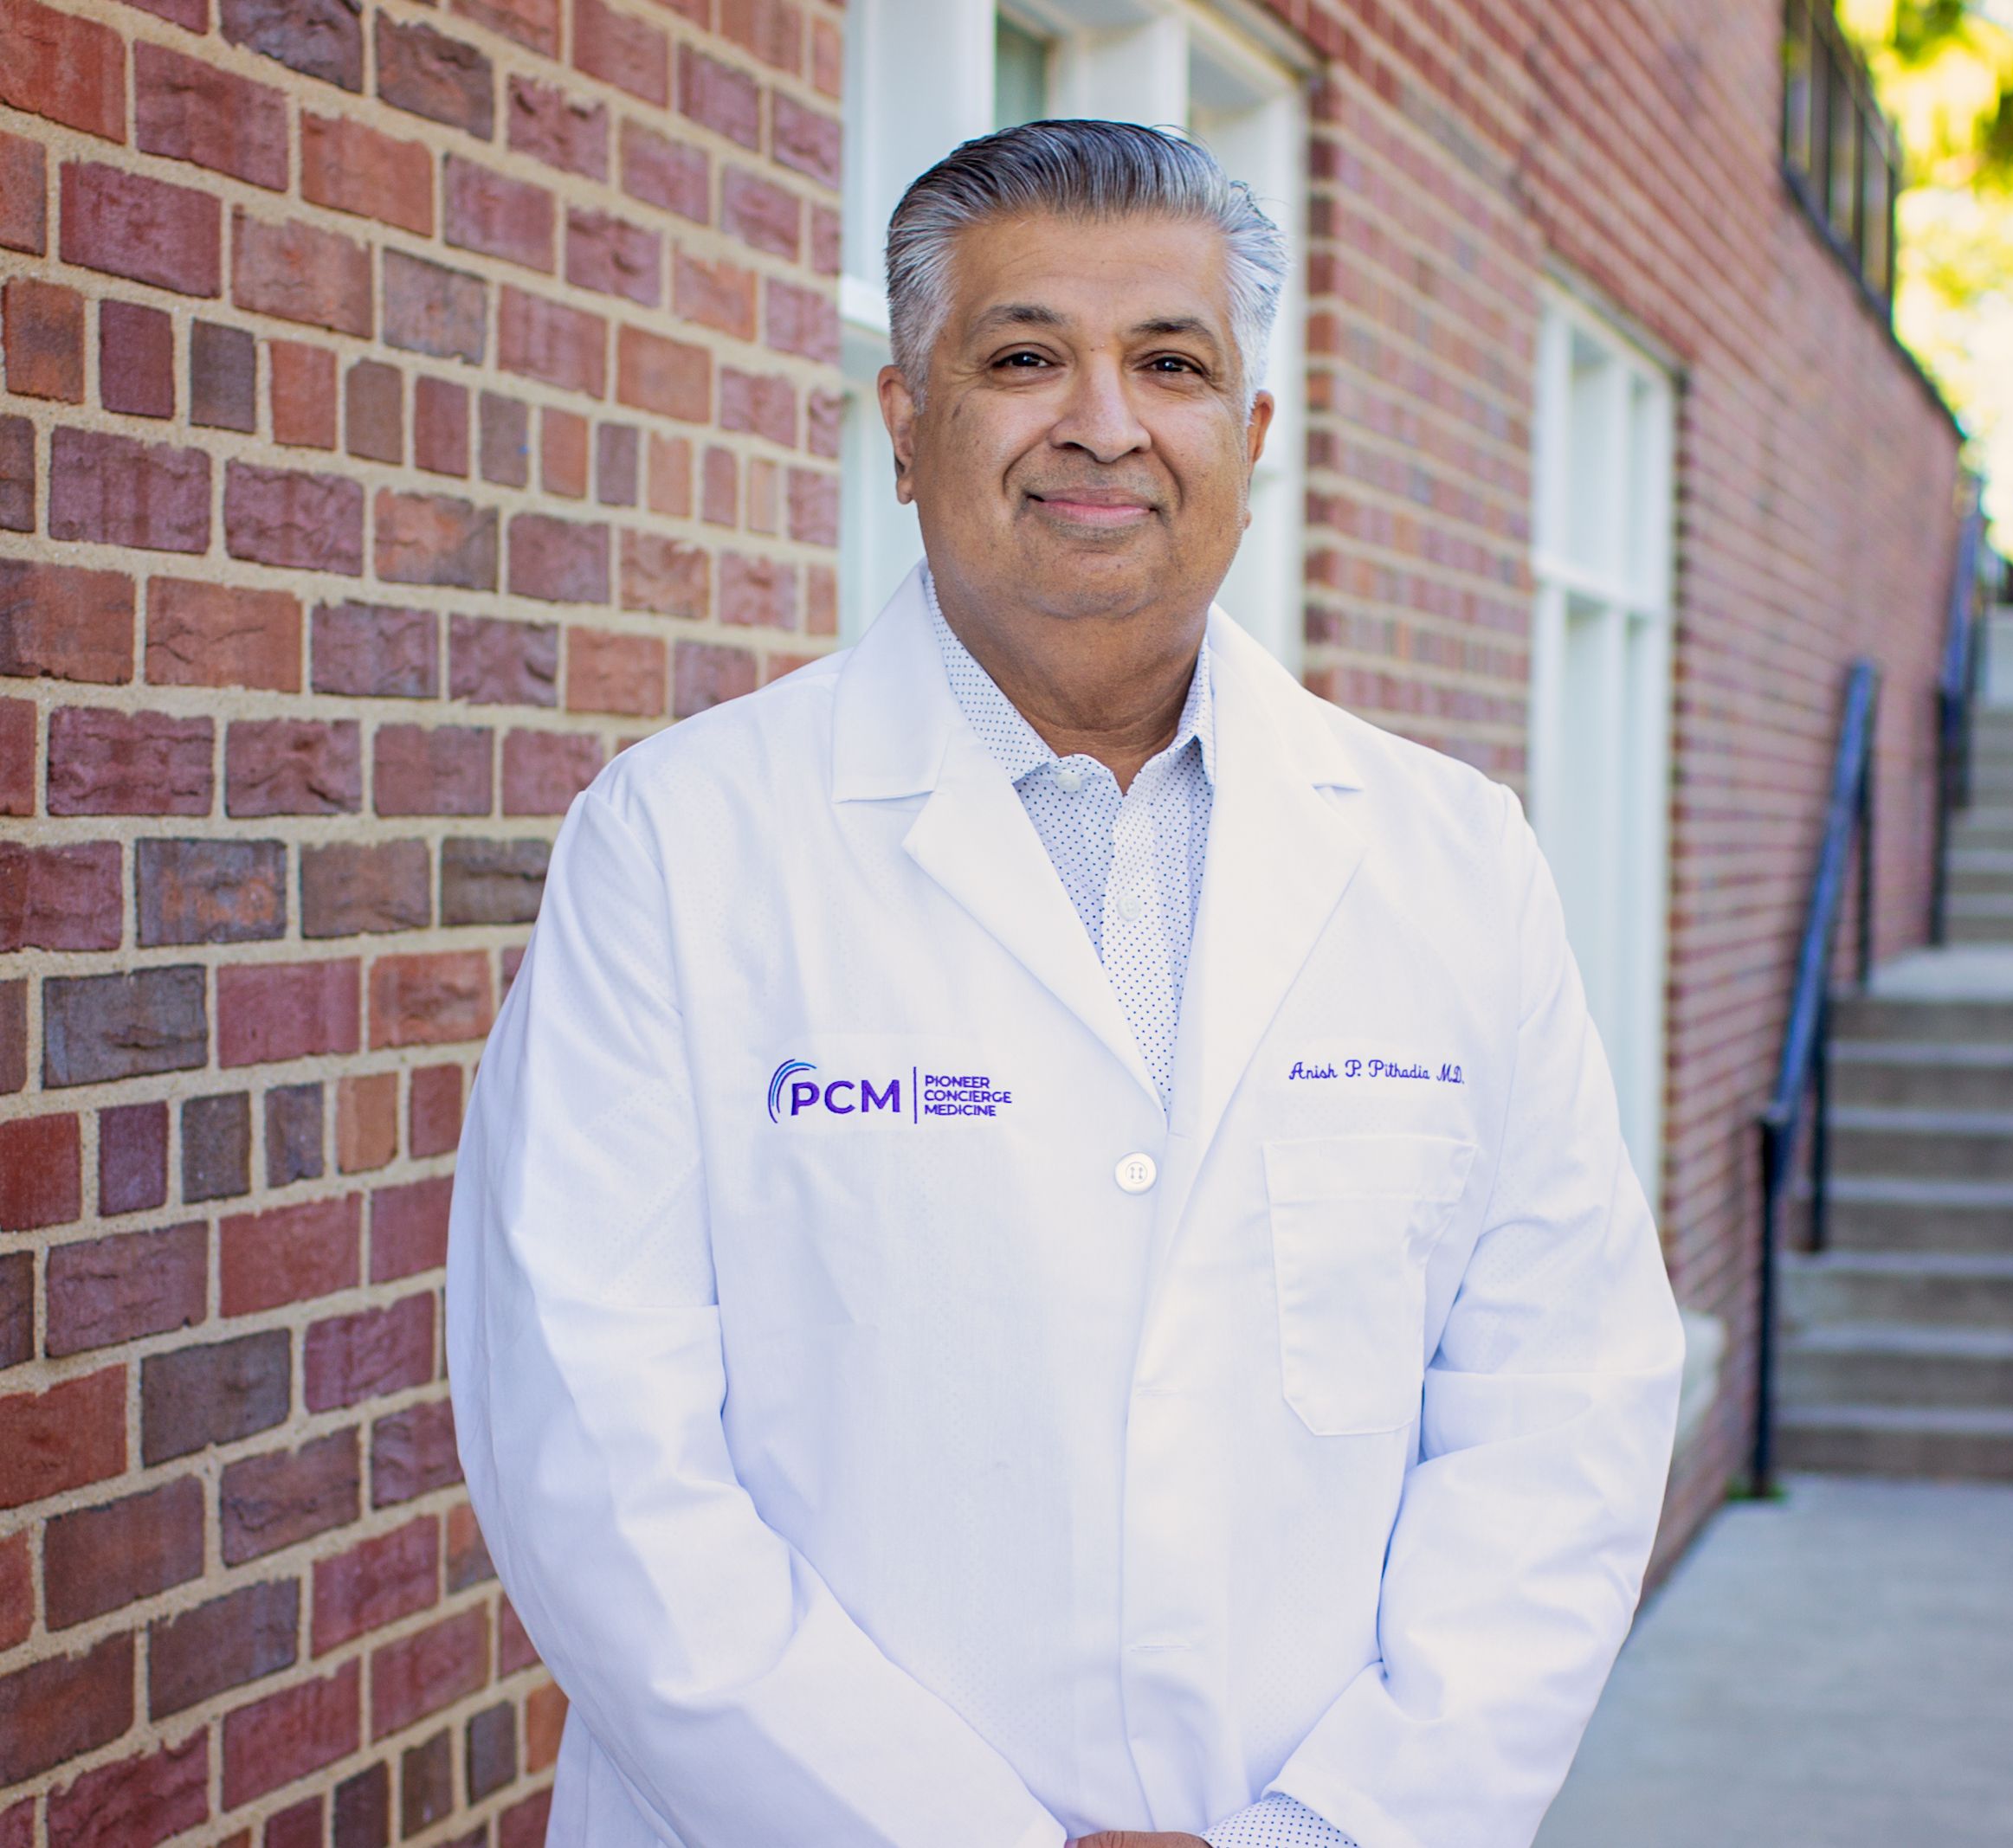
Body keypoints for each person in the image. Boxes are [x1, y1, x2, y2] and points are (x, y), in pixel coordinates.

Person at [447, 120, 1683, 1848]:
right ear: (903, 426)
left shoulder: (1453, 862)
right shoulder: (680, 847)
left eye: (1169, 364)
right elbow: (593, 1454)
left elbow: (1562, 1416)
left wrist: (1334, 1830)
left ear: (1248, 442)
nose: (1103, 420)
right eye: (1025, 357)